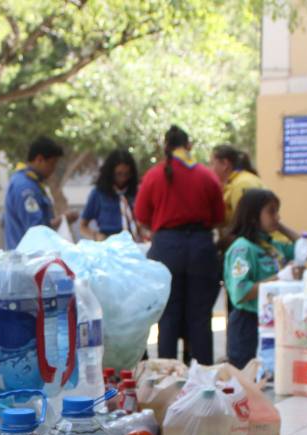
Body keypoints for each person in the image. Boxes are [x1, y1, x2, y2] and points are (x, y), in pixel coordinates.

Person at [134, 125, 226, 364]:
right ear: (189, 146)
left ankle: (167, 376)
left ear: (165, 147)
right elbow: (219, 217)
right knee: (199, 318)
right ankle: (204, 379)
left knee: (168, 318)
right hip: (200, 248)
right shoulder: (207, 176)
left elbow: (142, 215)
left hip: (166, 248)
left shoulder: (154, 176)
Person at [223, 189, 307, 366]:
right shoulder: (243, 249)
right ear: (253, 216)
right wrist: (279, 277)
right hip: (248, 323)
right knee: (247, 379)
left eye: (277, 211)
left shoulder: (270, 246)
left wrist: (280, 226)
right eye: (271, 211)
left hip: (271, 320)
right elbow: (241, 292)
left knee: (269, 379)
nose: (277, 216)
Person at [3, 136, 64, 249]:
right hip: (27, 262)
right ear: (39, 159)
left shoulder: (33, 183)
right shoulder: (25, 187)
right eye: (52, 164)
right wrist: (62, 220)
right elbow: (36, 230)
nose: (53, 169)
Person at [79, 149, 141, 241]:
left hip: (134, 242)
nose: (123, 179)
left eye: (127, 174)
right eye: (118, 174)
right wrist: (96, 236)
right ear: (110, 173)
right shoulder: (98, 194)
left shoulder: (137, 192)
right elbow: (83, 226)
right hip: (108, 243)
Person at [210, 145, 265, 228]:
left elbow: (245, 223)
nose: (210, 169)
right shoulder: (235, 182)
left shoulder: (242, 184)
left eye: (212, 164)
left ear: (225, 164)